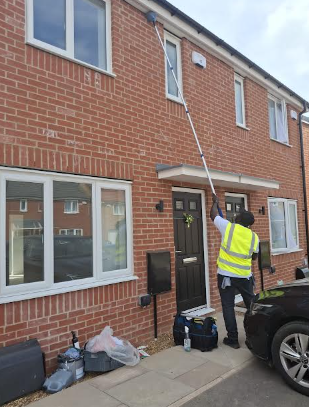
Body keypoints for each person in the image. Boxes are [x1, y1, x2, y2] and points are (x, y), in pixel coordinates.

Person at [210, 193, 259, 349]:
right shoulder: (254, 237)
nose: (236, 215)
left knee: (228, 306)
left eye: (238, 214)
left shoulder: (228, 227)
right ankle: (255, 335)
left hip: (226, 276)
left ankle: (233, 339)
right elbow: (254, 258)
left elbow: (213, 215)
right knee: (251, 306)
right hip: (245, 276)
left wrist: (214, 202)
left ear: (239, 219)